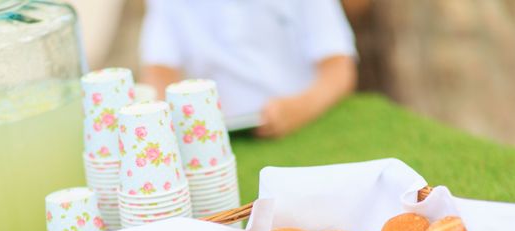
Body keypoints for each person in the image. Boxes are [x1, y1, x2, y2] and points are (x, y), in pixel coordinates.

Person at [140, 0, 358, 138]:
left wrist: (302, 107)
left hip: (307, 126)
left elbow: (339, 69)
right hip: (217, 137)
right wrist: (169, 123)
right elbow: (159, 71)